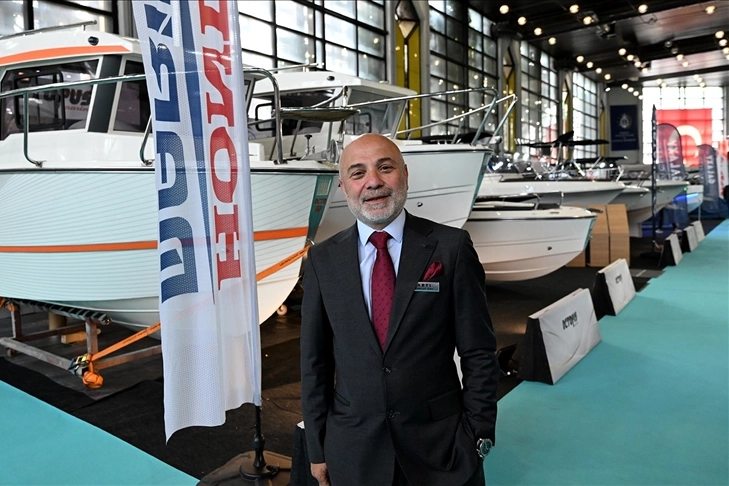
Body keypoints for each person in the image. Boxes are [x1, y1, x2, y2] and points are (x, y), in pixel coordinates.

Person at [300, 133, 500, 486]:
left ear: (405, 174)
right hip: (354, 452)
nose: (373, 182)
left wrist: (478, 434)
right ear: (344, 187)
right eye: (358, 173)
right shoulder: (322, 260)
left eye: (385, 167)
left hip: (443, 449)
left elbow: (479, 352)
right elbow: (314, 363)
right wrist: (317, 448)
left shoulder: (451, 248)